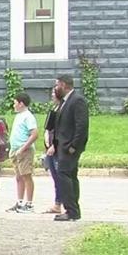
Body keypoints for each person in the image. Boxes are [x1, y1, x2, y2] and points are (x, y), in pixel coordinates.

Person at [51, 74, 90, 221]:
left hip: (69, 147)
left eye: (57, 85)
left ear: (64, 85)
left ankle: (71, 210)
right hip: (62, 145)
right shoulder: (64, 102)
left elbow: (82, 126)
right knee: (69, 177)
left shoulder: (77, 100)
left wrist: (74, 145)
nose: (55, 88)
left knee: (65, 176)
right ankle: (73, 210)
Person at [6, 92, 38, 213]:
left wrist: (23, 148)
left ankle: (29, 204)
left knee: (27, 175)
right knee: (19, 177)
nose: (14, 105)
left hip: (24, 150)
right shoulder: (19, 115)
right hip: (16, 150)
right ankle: (19, 202)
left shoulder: (28, 116)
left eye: (15, 103)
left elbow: (34, 134)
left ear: (21, 103)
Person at [42, 87, 64, 214]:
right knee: (55, 177)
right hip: (49, 148)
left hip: (55, 149)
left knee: (59, 177)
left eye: (53, 93)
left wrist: (54, 145)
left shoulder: (61, 110)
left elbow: (59, 131)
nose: (51, 95)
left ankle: (60, 203)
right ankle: (57, 203)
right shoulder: (55, 109)